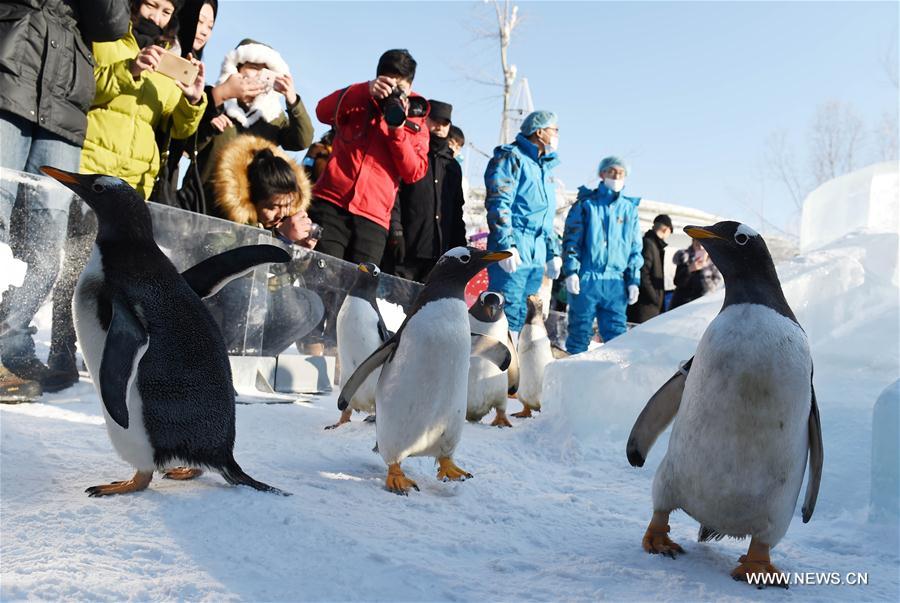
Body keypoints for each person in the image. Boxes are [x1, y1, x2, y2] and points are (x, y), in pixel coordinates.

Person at [0, 0, 130, 399]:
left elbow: (113, 22)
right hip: (8, 78)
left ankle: (12, 346)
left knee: (46, 242)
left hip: (64, 108)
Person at [308, 48, 430, 265]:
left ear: (410, 88)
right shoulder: (358, 98)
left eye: (399, 88)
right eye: (388, 85)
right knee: (320, 278)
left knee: (358, 291)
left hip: (374, 218)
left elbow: (413, 173)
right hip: (330, 204)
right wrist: (364, 91)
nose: (393, 94)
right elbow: (322, 112)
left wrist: (397, 130)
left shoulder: (417, 121)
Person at [79, 0, 208, 200]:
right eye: (151, 5)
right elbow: (81, 90)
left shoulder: (167, 56)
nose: (156, 17)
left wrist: (191, 101)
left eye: (166, 12)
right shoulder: (105, 35)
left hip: (135, 181)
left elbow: (179, 129)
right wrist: (129, 69)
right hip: (88, 167)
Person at [209, 135, 324, 356]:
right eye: (273, 207)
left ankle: (259, 358)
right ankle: (215, 358)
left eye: (287, 206)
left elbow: (282, 279)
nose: (281, 213)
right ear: (252, 199)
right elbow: (220, 264)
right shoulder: (227, 215)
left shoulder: (281, 221)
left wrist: (299, 251)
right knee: (244, 294)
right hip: (220, 307)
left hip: (261, 306)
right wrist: (279, 239)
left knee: (310, 304)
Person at [175, 37, 314, 215]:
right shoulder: (213, 100)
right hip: (201, 202)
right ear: (237, 68)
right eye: (253, 68)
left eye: (265, 72)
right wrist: (209, 126)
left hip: (245, 213)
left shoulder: (273, 117)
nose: (257, 75)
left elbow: (302, 141)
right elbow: (187, 147)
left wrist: (292, 100)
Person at [483, 110, 561, 337]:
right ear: (540, 132)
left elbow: (545, 217)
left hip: (535, 253)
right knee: (504, 313)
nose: (557, 135)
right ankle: (495, 367)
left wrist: (551, 252)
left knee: (527, 314)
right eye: (554, 130)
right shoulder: (512, 158)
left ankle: (517, 366)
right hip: (515, 245)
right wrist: (505, 242)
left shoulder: (543, 168)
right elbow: (499, 201)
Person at [562, 156, 643, 353]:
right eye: (611, 172)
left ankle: (612, 380)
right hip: (587, 279)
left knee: (617, 338)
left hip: (615, 283)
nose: (616, 176)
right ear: (602, 174)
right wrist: (571, 270)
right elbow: (572, 239)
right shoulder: (586, 205)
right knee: (579, 333)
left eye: (620, 173)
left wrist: (633, 279)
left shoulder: (629, 209)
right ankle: (574, 377)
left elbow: (634, 247)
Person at [384, 99, 467, 282]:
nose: (439, 127)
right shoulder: (413, 153)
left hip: (438, 254)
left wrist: (460, 247)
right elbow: (394, 193)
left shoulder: (452, 167)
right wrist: (396, 230)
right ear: (425, 121)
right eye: (435, 121)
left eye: (444, 123)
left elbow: (456, 210)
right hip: (406, 248)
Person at [150, 0, 219, 206]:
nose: (205, 31)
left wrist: (195, 100)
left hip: (161, 172)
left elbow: (182, 132)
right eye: (200, 21)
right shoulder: (159, 50)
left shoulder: (195, 67)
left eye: (211, 26)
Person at [628, 214, 673, 323]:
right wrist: (655, 298)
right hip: (644, 306)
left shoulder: (654, 245)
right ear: (666, 229)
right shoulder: (649, 244)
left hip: (648, 306)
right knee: (640, 338)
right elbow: (643, 273)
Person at [670, 238, 722, 309]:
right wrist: (689, 269)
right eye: (697, 244)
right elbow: (677, 282)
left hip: (701, 305)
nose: (700, 247)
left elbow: (716, 286)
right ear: (693, 242)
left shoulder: (713, 262)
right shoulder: (684, 257)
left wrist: (704, 274)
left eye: (703, 245)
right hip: (681, 304)